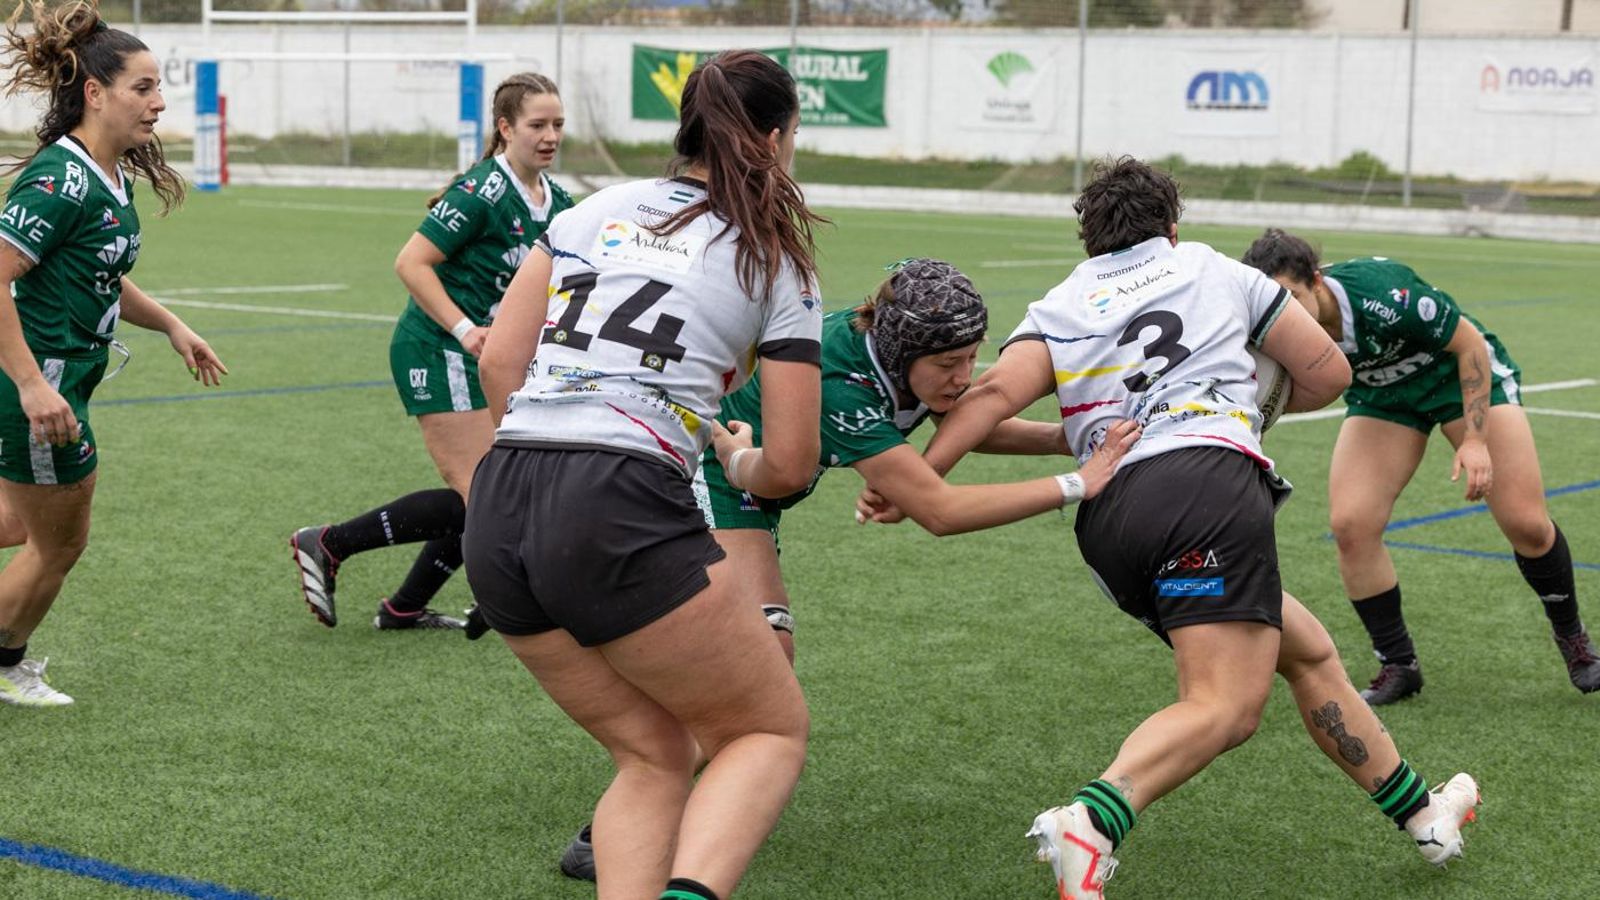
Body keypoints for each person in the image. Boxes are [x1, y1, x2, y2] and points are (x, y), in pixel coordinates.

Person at [881, 158, 1478, 898]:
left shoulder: (1063, 300)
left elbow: (995, 393)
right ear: (1170, 226)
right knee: (1225, 705)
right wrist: (1251, 400)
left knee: (1310, 652)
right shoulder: (1209, 267)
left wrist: (919, 476)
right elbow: (1328, 374)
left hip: (1111, 523)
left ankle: (1424, 816)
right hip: (1205, 488)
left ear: (1089, 241)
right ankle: (1091, 823)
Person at [555, 257, 1141, 882]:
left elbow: (971, 423)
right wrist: (1079, 479)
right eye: (949, 365)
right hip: (714, 481)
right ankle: (614, 830)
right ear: (900, 350)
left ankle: (649, 803)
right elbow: (939, 513)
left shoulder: (904, 362)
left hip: (754, 489)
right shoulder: (840, 380)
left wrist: (1068, 435)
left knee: (751, 671)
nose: (965, 377)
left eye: (972, 357)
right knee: (761, 668)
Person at [1241, 228, 1600, 703]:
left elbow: (1469, 346)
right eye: (1273, 302)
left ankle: (1576, 643)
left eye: (1290, 296)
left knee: (1526, 524)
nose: (1282, 311)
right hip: (1386, 396)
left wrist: (1474, 439)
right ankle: (1399, 665)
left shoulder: (1382, 293)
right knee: (1352, 525)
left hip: (1458, 376)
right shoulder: (1273, 323)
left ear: (1318, 281)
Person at [0, 0, 227, 707]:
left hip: (67, 383)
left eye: (160, 88)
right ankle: (6, 664)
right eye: (144, 88)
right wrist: (35, 386)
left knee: (19, 521)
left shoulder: (111, 175)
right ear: (94, 93)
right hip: (44, 390)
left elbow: (98, 272)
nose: (159, 103)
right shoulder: (59, 179)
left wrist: (171, 325)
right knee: (59, 544)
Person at [290, 73, 572, 633]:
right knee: (488, 492)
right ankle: (328, 544)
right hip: (438, 349)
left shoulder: (559, 203)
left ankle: (400, 605)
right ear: (505, 127)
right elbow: (410, 263)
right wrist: (466, 328)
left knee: (493, 488)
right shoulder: (482, 192)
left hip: (494, 360)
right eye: (537, 125)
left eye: (558, 125)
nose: (550, 136)